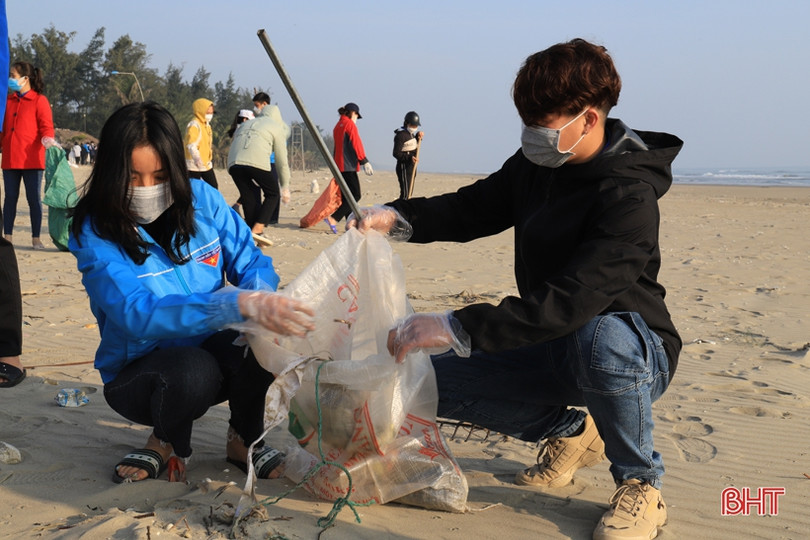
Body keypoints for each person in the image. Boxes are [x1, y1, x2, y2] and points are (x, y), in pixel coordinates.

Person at [351, 39, 682, 540]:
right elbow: (473, 208)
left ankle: (641, 484)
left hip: (630, 352)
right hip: (548, 342)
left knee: (600, 336)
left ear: (589, 119)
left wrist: (455, 325)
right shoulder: (537, 165)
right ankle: (572, 433)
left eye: (543, 123)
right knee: (430, 382)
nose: (532, 135)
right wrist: (398, 217)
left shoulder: (628, 195)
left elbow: (574, 298)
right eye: (527, 123)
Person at [68, 101, 315, 483]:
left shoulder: (203, 200)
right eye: (133, 177)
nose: (147, 190)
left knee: (265, 337)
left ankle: (244, 440)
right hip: (144, 373)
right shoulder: (94, 230)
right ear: (111, 173)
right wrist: (230, 306)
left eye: (160, 176)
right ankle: (163, 440)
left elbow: (251, 263)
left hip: (214, 351)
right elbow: (137, 313)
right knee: (191, 369)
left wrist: (259, 300)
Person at [1, 60, 55, 249]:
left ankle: (36, 238)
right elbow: (2, 129)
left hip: (32, 158)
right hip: (9, 158)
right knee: (10, 198)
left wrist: (48, 139)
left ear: (25, 78)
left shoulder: (39, 100)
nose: (10, 80)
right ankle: (7, 237)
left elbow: (46, 127)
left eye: (13, 76)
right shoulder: (7, 101)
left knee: (34, 200)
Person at [227, 95, 291, 244]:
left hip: (233, 163)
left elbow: (236, 138)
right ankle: (258, 228)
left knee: (248, 194)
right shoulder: (277, 127)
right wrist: (285, 186)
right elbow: (282, 160)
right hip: (255, 161)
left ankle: (251, 232)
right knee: (273, 193)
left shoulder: (248, 123)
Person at [325, 102, 373, 230]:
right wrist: (364, 161)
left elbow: (336, 148)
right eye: (357, 115)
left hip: (339, 166)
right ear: (353, 113)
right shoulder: (349, 125)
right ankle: (333, 218)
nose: (357, 118)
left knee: (347, 197)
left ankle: (349, 224)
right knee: (355, 195)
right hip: (348, 166)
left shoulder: (337, 126)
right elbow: (356, 144)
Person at [184, 97, 218, 189]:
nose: (210, 115)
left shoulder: (207, 125)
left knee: (213, 187)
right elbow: (191, 145)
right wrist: (197, 160)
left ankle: (210, 203)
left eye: (211, 113)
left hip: (206, 164)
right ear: (201, 111)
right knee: (195, 190)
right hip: (193, 164)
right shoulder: (194, 125)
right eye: (208, 113)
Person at [392, 111, 423, 199]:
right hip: (404, 166)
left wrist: (418, 136)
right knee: (406, 194)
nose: (415, 128)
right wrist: (409, 158)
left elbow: (412, 146)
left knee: (409, 192)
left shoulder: (410, 135)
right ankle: (401, 210)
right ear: (407, 123)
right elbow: (396, 153)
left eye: (416, 126)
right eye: (413, 125)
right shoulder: (401, 135)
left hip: (411, 166)